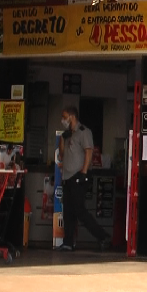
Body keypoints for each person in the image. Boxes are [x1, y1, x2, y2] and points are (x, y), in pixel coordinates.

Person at [56, 106, 110, 251]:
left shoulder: (83, 132)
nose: (63, 120)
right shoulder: (67, 135)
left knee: (79, 210)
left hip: (79, 176)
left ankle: (103, 236)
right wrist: (62, 139)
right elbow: (61, 156)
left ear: (72, 117)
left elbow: (89, 151)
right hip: (67, 177)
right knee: (68, 211)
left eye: (64, 116)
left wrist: (84, 172)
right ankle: (67, 242)